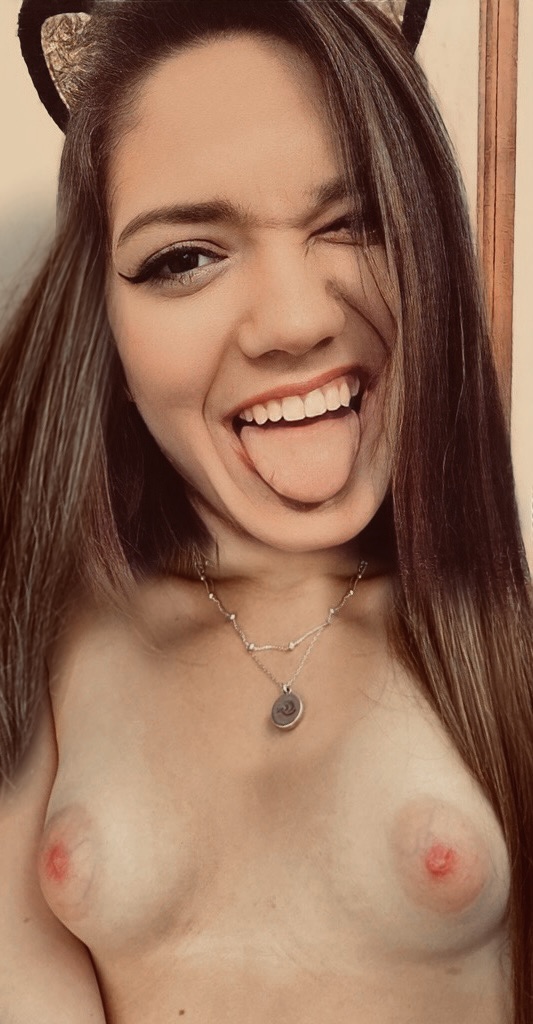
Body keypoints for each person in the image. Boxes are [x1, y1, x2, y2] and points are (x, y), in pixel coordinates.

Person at [1, 0, 531, 1021]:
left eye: (352, 222)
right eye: (184, 258)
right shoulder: (39, 636)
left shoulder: (505, 644)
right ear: (105, 325)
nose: (292, 322)